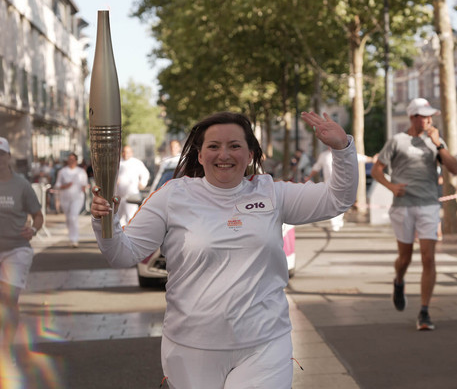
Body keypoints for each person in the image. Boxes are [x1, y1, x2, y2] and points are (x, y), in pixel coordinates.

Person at [91, 111, 358, 389]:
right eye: (214, 146)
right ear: (200, 154)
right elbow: (122, 254)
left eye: (235, 146)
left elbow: (337, 199)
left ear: (251, 153)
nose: (224, 155)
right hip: (191, 345)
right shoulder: (172, 196)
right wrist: (104, 223)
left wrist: (343, 148)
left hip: (265, 342)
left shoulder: (272, 194)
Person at [371, 98, 457, 331]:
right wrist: (391, 187)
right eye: (423, 115)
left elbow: (454, 168)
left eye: (430, 115)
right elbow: (377, 170)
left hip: (428, 204)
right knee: (405, 259)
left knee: (429, 258)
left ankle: (425, 312)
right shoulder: (397, 141)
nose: (428, 119)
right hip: (403, 206)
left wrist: (439, 144)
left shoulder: (436, 142)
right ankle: (399, 280)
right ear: (412, 117)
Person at [0, 137, 43, 349]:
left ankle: (6, 349)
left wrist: (33, 229)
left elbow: (38, 215)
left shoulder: (21, 185)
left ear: (8, 156)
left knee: (8, 298)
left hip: (17, 249)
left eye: (1, 153)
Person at [54, 153, 88, 247]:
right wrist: (64, 186)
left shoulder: (81, 171)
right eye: (69, 159)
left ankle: (74, 239)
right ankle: (71, 236)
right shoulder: (62, 171)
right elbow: (57, 185)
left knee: (73, 217)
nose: (71, 161)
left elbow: (84, 184)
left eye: (73, 159)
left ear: (76, 161)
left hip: (77, 198)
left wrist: (84, 188)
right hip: (65, 197)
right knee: (69, 218)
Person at [116, 145, 150, 226]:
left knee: (130, 217)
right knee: (118, 218)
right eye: (123, 152)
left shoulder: (136, 163)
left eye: (127, 152)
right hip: (119, 195)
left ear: (131, 153)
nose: (125, 154)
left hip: (132, 195)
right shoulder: (117, 162)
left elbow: (145, 174)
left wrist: (142, 183)